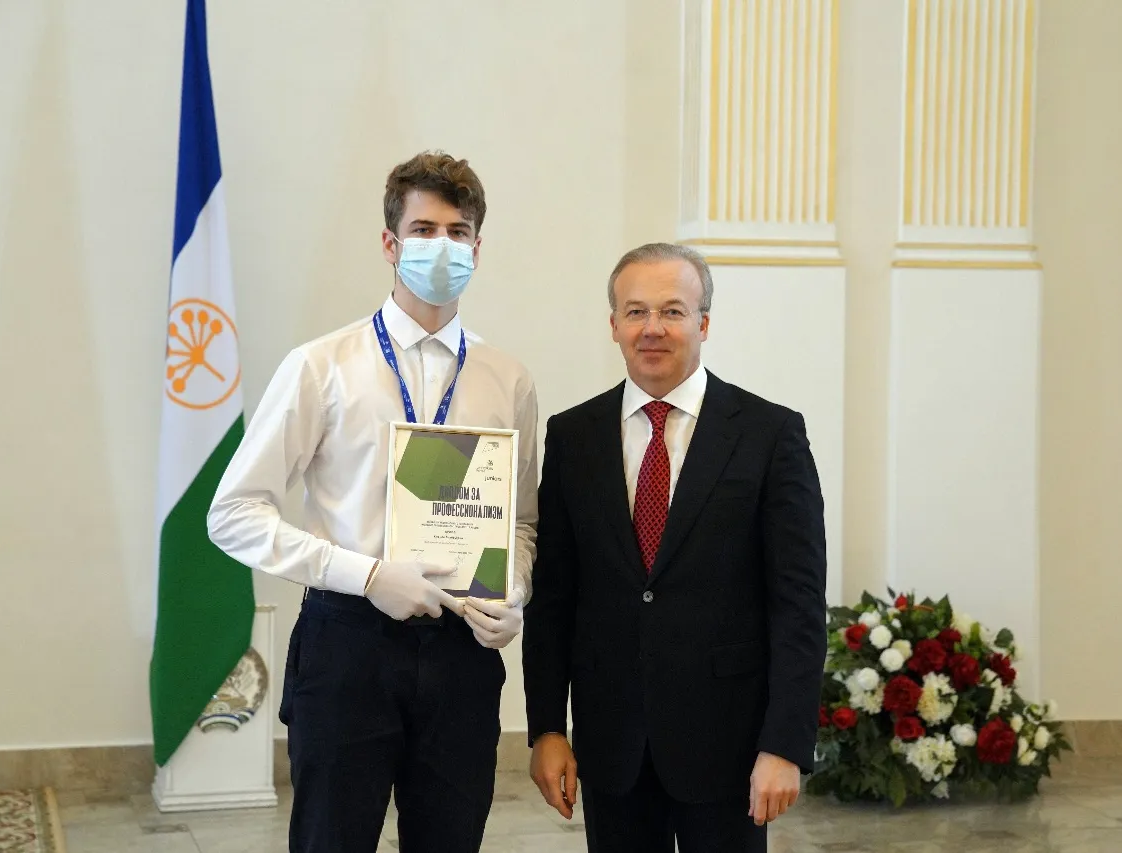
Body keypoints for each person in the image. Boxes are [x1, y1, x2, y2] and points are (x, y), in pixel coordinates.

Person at [206, 151, 537, 853]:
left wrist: (513, 589)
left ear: (478, 249)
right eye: (424, 230)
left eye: (458, 232)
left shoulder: (507, 378)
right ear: (390, 243)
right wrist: (367, 575)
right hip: (348, 643)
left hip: (461, 650)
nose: (442, 246)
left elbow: (523, 521)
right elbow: (233, 513)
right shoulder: (321, 366)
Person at [522, 242, 827, 853]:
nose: (652, 328)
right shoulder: (573, 436)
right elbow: (554, 597)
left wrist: (785, 744)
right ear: (613, 325)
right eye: (636, 311)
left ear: (704, 323)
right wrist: (547, 729)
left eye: (673, 311)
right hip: (613, 746)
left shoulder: (770, 433)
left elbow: (798, 604)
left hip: (731, 748)